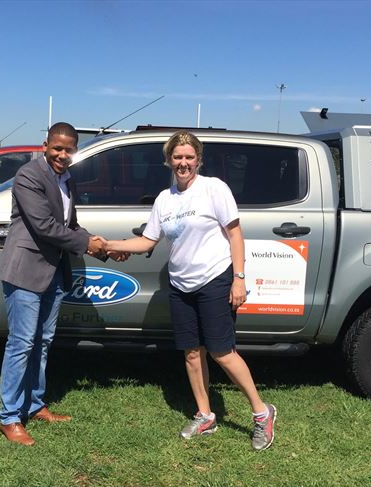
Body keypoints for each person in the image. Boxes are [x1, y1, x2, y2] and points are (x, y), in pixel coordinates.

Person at [104, 131, 276, 451]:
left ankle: (262, 413)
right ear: (168, 160)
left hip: (214, 278)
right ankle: (205, 414)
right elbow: (147, 241)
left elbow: (235, 235)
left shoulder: (214, 189)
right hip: (181, 284)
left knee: (222, 352)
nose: (183, 163)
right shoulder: (164, 199)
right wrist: (107, 244)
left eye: (189, 157)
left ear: (198, 159)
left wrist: (239, 278)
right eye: (177, 157)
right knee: (192, 353)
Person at [0, 122, 107, 446]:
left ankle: (34, 403)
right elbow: (44, 227)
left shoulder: (67, 181)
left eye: (68, 149)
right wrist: (88, 245)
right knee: (22, 344)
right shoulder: (29, 175)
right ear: (45, 145)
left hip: (54, 272)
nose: (62, 154)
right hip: (25, 271)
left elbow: (70, 225)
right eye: (57, 148)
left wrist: (103, 246)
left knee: (42, 342)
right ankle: (9, 417)